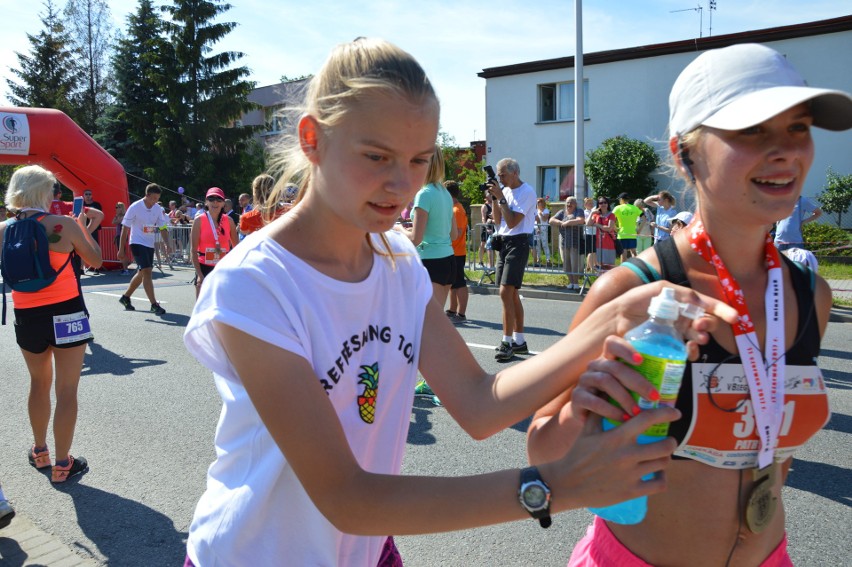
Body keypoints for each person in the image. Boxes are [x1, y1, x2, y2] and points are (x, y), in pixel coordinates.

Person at [181, 37, 737, 567]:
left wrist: (610, 324)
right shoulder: (255, 284)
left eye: (420, 160)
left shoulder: (397, 264)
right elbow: (346, 496)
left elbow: (478, 403)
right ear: (312, 139)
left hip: (368, 553)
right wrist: (554, 487)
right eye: (376, 156)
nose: (400, 184)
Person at [527, 42, 852, 567]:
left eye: (798, 127)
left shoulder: (808, 292)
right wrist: (584, 410)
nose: (787, 150)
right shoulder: (634, 291)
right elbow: (542, 451)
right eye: (752, 130)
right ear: (685, 153)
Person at [2, 165, 103, 483]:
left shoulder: (4, 229)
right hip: (68, 313)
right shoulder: (64, 225)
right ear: (44, 193)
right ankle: (63, 464)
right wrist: (82, 227)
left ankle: (40, 451)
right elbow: (96, 260)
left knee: (38, 384)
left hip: (27, 314)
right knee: (67, 389)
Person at [484, 158, 536, 361]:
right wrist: (495, 199)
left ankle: (506, 342)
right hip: (504, 242)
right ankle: (519, 341)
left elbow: (513, 222)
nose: (499, 178)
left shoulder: (527, 192)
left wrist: (501, 198)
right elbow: (498, 220)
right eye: (497, 175)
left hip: (519, 241)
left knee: (505, 291)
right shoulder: (504, 191)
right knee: (511, 294)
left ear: (514, 172)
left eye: (502, 174)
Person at [397, 145, 456, 307]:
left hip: (431, 261)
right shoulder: (444, 192)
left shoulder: (424, 194)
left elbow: (415, 239)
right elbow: (453, 234)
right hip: (448, 260)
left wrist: (398, 230)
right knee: (436, 322)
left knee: (426, 324)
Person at [117, 183, 170, 315]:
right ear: (147, 195)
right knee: (147, 271)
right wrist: (121, 249)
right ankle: (154, 304)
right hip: (136, 242)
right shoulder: (135, 207)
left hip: (149, 244)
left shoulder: (157, 208)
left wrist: (167, 243)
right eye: (153, 198)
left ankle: (125, 297)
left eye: (157, 199)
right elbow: (125, 228)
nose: (155, 202)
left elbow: (163, 227)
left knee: (142, 272)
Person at [191, 187, 238, 297]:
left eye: (219, 199)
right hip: (204, 266)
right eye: (211, 199)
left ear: (223, 204)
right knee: (202, 306)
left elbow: (236, 248)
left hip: (223, 267)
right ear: (206, 202)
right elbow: (193, 250)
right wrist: (199, 274)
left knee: (221, 304)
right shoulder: (199, 220)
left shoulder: (229, 221)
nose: (215, 202)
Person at [444, 180, 469, 322]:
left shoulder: (456, 210)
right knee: (453, 283)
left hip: (457, 252)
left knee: (459, 283)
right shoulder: (453, 208)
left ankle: (461, 314)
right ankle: (452, 309)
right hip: (453, 251)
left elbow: (457, 233)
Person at [550, 196, 585, 291]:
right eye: (568, 202)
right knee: (566, 264)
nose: (569, 204)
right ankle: (571, 282)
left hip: (575, 242)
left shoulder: (579, 211)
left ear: (575, 204)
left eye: (571, 202)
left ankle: (576, 283)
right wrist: (561, 222)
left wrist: (568, 222)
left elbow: (580, 220)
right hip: (564, 242)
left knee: (574, 264)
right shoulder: (562, 212)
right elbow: (551, 220)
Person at [586, 195, 617, 270]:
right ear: (598, 204)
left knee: (609, 267)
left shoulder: (611, 215)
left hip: (609, 244)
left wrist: (597, 225)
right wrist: (592, 213)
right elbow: (588, 224)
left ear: (608, 204)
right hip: (599, 244)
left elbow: (609, 228)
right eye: (600, 203)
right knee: (600, 266)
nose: (603, 204)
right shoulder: (596, 215)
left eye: (605, 202)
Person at [612, 192, 643, 262]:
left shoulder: (617, 208)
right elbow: (644, 218)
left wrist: (615, 228)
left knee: (623, 253)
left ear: (622, 199)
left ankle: (623, 270)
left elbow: (611, 219)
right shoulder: (634, 208)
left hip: (622, 234)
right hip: (632, 233)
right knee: (634, 252)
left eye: (619, 200)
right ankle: (636, 269)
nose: (619, 201)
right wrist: (639, 230)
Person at [81, 189, 103, 274]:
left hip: (93, 229)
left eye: (89, 194)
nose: (88, 195)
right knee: (82, 248)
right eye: (86, 194)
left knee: (94, 247)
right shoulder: (81, 205)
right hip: (82, 228)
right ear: (84, 195)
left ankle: (96, 267)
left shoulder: (96, 205)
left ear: (92, 195)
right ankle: (82, 268)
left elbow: (99, 216)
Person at [112, 201, 131, 275]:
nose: (117, 208)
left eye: (118, 207)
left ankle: (126, 269)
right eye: (116, 207)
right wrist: (117, 216)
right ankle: (125, 268)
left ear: (122, 208)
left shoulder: (124, 216)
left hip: (122, 236)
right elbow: (113, 222)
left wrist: (117, 217)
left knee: (122, 252)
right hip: (118, 236)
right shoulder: (118, 216)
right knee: (121, 253)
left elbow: (118, 222)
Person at [532, 197, 552, 267]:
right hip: (537, 229)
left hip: (543, 229)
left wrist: (540, 213)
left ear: (542, 203)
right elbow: (534, 220)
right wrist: (536, 228)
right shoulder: (535, 210)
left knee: (544, 244)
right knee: (537, 245)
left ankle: (548, 259)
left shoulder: (546, 210)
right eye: (537, 202)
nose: (537, 204)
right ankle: (538, 259)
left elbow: (544, 218)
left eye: (539, 202)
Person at [479, 192, 495, 269]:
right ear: (486, 196)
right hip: (486, 227)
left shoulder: (494, 204)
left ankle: (492, 263)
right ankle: (481, 261)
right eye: (489, 194)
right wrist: (486, 228)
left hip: (493, 226)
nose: (491, 195)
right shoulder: (484, 206)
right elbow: (483, 218)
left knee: (493, 244)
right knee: (483, 243)